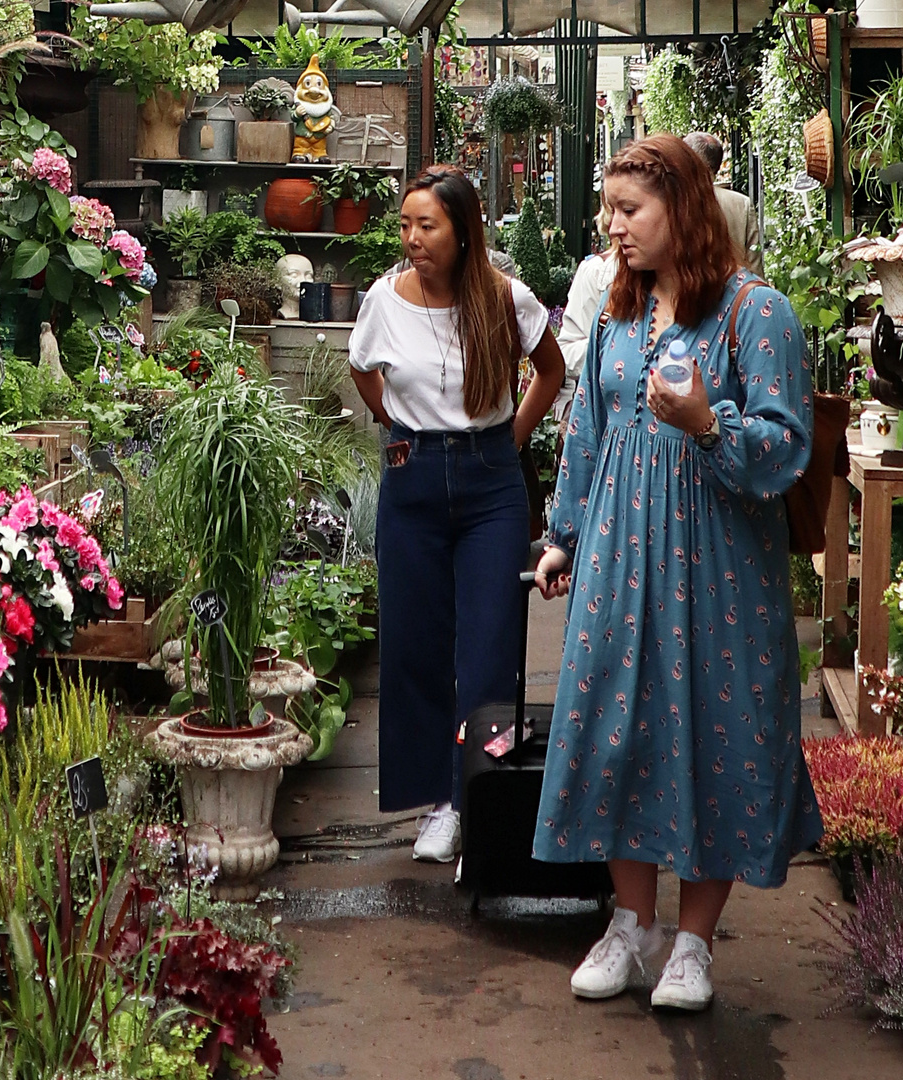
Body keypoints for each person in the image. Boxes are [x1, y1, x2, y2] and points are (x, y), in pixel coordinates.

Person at [532, 135, 820, 1012]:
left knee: (713, 733)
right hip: (618, 558)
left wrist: (705, 423)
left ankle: (692, 944)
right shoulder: (618, 318)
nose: (612, 226)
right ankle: (630, 924)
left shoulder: (754, 313)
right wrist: (562, 536)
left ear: (684, 212)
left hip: (722, 574)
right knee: (614, 732)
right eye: (609, 209)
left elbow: (788, 448)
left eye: (630, 210)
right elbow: (587, 434)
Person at [349, 165, 564, 863]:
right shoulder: (385, 300)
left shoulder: (505, 298)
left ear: (463, 231)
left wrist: (512, 438)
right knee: (413, 645)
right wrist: (393, 420)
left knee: (491, 647)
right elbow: (362, 369)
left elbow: (552, 371)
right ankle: (439, 801)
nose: (412, 239)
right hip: (412, 480)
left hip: (490, 485)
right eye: (405, 225)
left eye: (427, 226)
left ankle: (485, 799)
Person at [553, 195, 616, 418]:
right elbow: (567, 352)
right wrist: (616, 346)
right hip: (602, 413)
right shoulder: (597, 272)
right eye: (619, 210)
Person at [684, 131, 764, 277]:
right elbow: (755, 268)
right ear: (718, 166)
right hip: (734, 294)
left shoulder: (673, 200)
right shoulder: (741, 204)